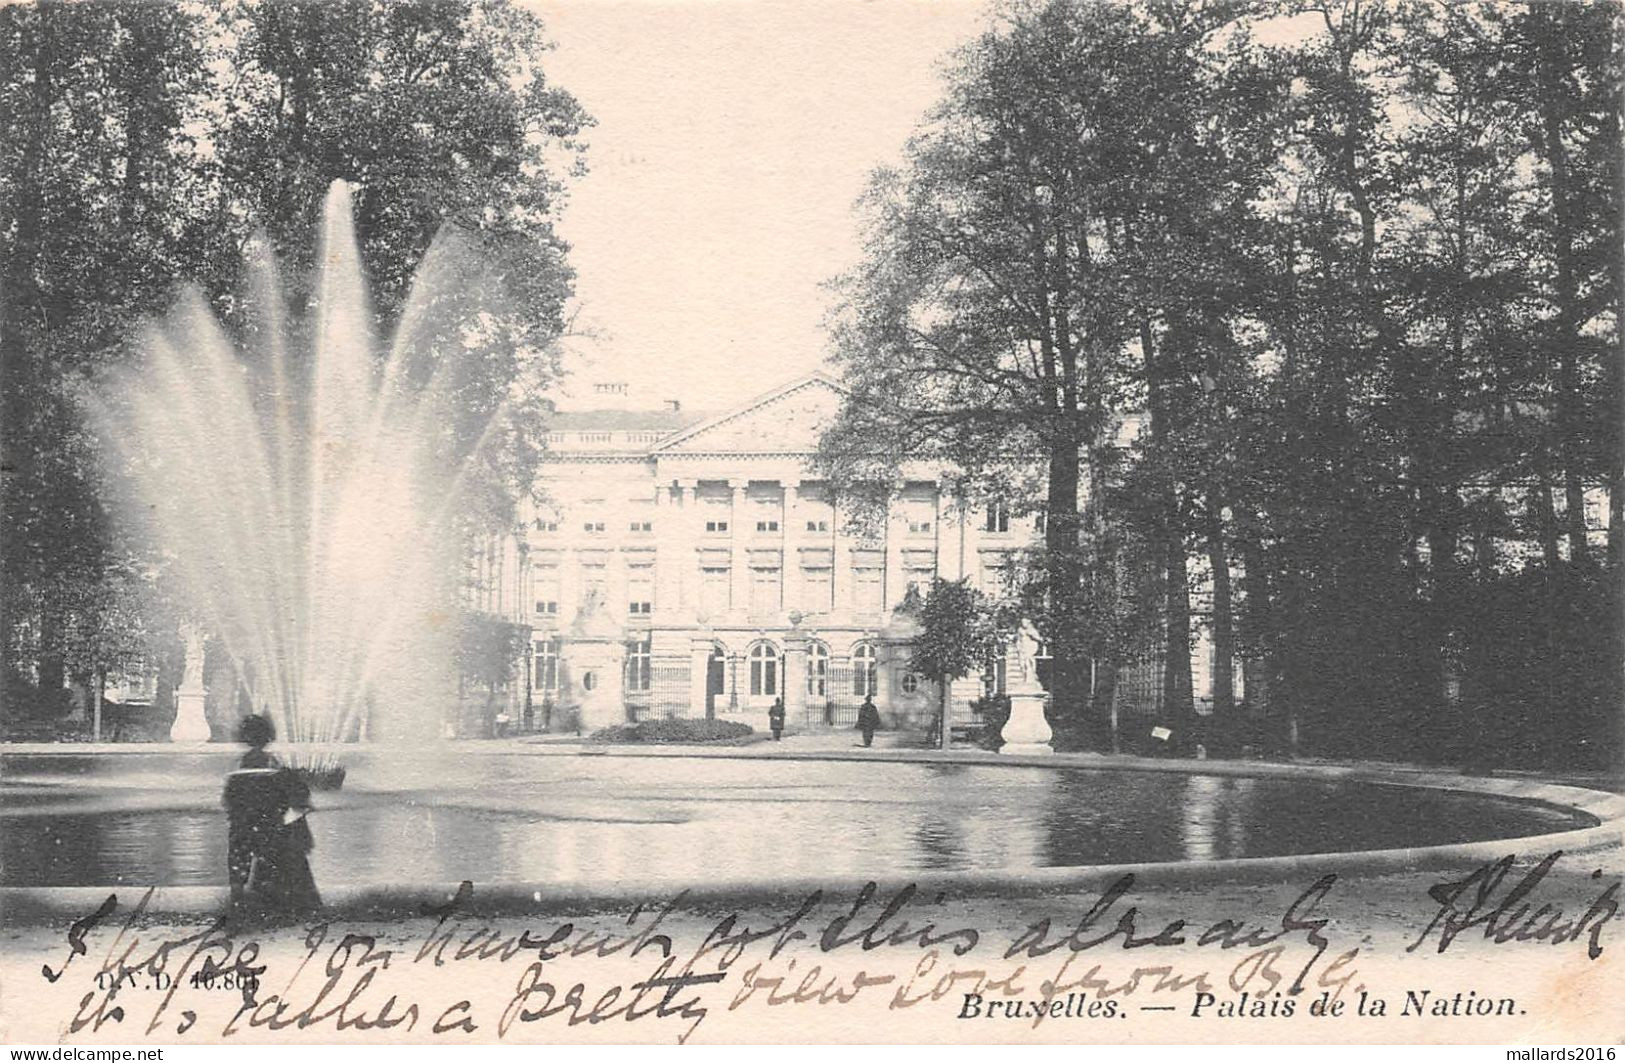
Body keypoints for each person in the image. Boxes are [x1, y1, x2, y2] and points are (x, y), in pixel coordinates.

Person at [222, 714, 320, 911]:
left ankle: (237, 899)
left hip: (245, 830)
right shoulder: (275, 765)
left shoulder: (238, 768)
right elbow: (298, 798)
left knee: (241, 851)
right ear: (268, 737)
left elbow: (229, 802)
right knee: (284, 851)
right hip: (274, 831)